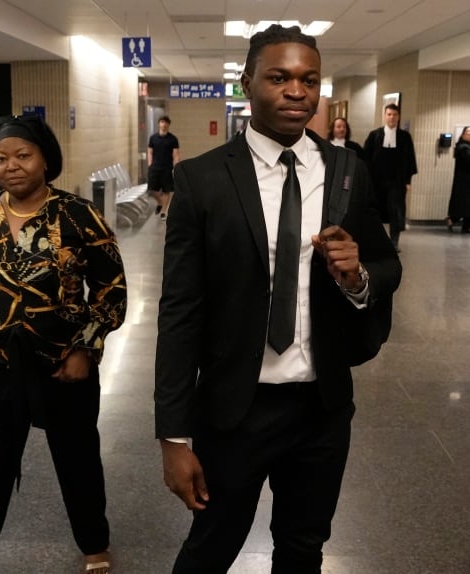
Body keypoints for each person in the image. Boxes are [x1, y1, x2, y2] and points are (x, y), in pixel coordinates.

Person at [154, 25, 402, 573]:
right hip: (236, 408)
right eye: (279, 77)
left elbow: (387, 264)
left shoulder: (346, 173)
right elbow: (179, 312)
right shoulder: (202, 179)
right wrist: (173, 434)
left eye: (308, 79)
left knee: (303, 546)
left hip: (322, 407)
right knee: (211, 545)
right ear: (247, 84)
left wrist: (357, 275)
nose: (297, 91)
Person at [0, 115, 127, 574]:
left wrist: (86, 349)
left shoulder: (78, 215)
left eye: (23, 156)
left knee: (77, 459)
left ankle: (94, 545)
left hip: (64, 365)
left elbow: (112, 289)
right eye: (2, 158)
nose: (11, 166)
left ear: (46, 159)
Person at [363, 103, 418, 250]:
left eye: (394, 115)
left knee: (395, 211)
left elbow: (410, 159)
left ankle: (394, 241)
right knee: (376, 210)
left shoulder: (405, 137)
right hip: (377, 180)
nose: (391, 117)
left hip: (396, 181)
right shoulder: (375, 135)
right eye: (389, 114)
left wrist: (408, 180)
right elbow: (365, 158)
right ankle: (377, 240)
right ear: (384, 116)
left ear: (398, 117)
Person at [148, 115, 180, 220]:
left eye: (166, 122)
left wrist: (176, 166)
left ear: (168, 125)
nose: (164, 124)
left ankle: (163, 212)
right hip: (155, 168)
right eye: (162, 122)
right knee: (153, 190)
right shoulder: (153, 138)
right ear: (159, 124)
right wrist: (150, 163)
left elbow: (175, 155)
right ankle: (160, 203)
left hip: (167, 168)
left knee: (166, 190)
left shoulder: (173, 139)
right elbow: (150, 152)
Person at [447, 126, 470, 232]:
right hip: (463, 181)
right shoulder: (462, 147)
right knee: (462, 204)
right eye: (468, 132)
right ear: (463, 134)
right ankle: (453, 220)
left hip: (466, 180)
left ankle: (464, 226)